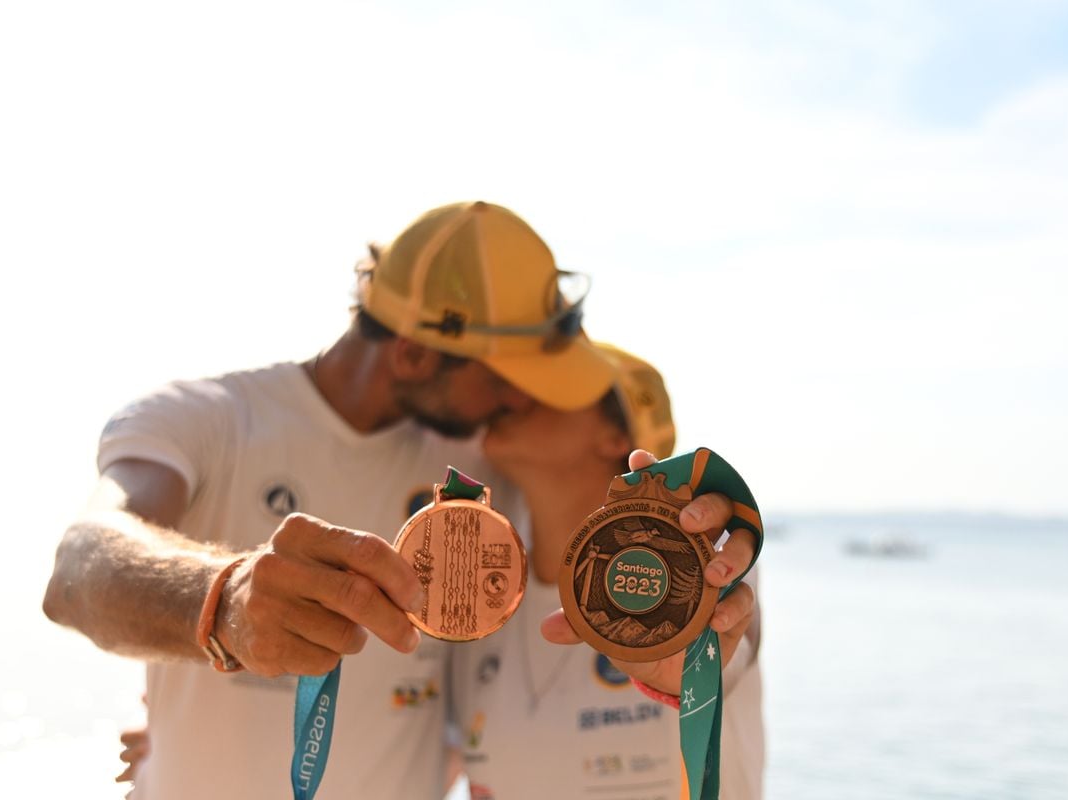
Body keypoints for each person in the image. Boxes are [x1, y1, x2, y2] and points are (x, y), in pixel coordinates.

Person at [44, 200, 759, 799]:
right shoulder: (208, 420)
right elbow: (80, 567)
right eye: (509, 375)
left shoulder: (487, 476)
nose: (522, 397)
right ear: (415, 357)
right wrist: (221, 603)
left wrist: (701, 606)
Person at [453, 343, 764, 800]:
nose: (513, 396)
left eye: (548, 388)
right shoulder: (480, 595)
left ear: (618, 439)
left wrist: (690, 675)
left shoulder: (704, 568)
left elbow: (735, 650)